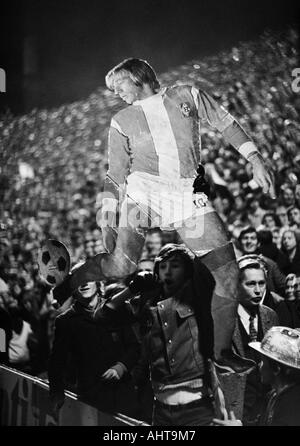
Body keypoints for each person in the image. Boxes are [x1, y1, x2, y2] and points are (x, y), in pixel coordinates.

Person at [54, 57, 274, 372]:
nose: (118, 93)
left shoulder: (188, 95)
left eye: (119, 86)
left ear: (136, 77)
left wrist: (254, 158)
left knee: (227, 273)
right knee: (120, 266)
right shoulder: (121, 120)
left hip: (187, 196)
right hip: (143, 194)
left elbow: (225, 122)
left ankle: (222, 351)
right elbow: (115, 175)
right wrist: (107, 219)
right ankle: (73, 279)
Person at [95, 243, 221, 426]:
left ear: (187, 270)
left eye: (175, 266)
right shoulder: (146, 303)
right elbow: (103, 316)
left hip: (197, 411)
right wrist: (132, 289)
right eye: (163, 266)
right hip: (160, 410)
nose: (168, 271)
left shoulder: (197, 297)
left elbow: (211, 267)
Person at [48, 265, 140, 420]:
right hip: (90, 399)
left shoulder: (118, 309)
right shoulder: (65, 322)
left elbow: (134, 347)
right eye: (78, 281)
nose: (84, 284)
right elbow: (56, 363)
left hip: (124, 396)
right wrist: (57, 394)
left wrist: (121, 367)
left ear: (98, 284)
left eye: (88, 279)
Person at [213, 326, 300, 426]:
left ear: (276, 369)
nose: (259, 365)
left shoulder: (293, 404)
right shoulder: (273, 396)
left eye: (263, 361)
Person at [231, 255, 279, 425]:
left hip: (266, 410)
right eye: (251, 284)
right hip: (235, 411)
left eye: (262, 283)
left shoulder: (270, 316)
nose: (258, 290)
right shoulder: (222, 319)